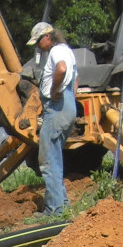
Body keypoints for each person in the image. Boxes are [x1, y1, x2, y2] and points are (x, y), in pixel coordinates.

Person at [26, 21, 77, 217]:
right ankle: (62, 204)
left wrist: (55, 91)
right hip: (67, 105)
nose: (38, 46)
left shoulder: (57, 52)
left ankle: (54, 210)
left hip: (56, 108)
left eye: (39, 41)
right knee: (55, 158)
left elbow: (61, 69)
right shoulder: (68, 51)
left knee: (47, 160)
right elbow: (75, 78)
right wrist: (70, 96)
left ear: (48, 36)